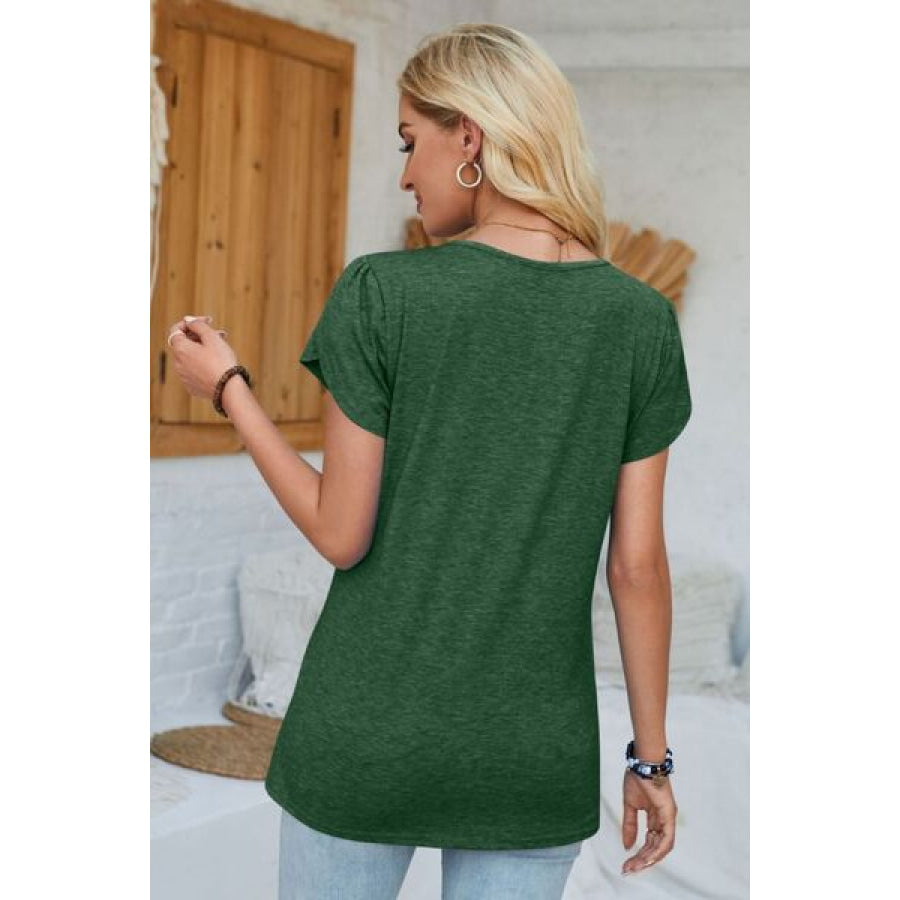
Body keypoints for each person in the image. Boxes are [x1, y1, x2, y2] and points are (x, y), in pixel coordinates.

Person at [167, 22, 691, 900]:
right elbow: (637, 569)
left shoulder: (384, 293)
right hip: (531, 759)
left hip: (365, 737)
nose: (406, 174)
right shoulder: (639, 322)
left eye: (411, 142)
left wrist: (229, 389)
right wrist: (651, 760)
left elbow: (341, 534)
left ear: (470, 138)